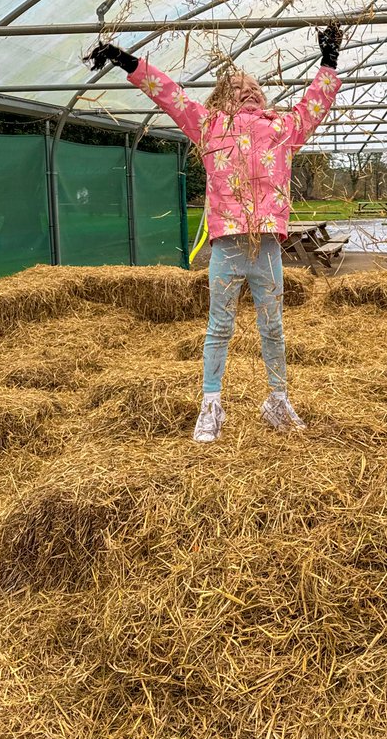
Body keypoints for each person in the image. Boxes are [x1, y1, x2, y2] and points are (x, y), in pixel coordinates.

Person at [85, 27, 342, 441]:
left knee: (273, 327)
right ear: (221, 98)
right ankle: (211, 405)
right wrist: (124, 60)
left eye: (256, 87)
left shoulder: (283, 129)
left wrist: (329, 60)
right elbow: (167, 94)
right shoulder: (207, 126)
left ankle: (277, 400)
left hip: (268, 250)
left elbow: (316, 104)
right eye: (238, 87)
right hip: (227, 247)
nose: (250, 91)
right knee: (219, 326)